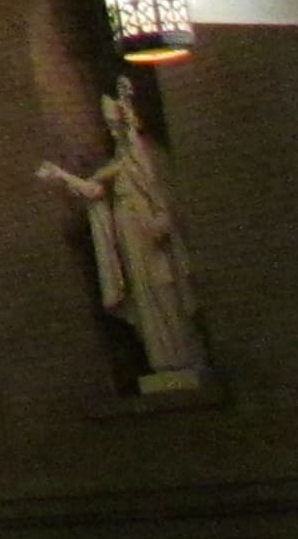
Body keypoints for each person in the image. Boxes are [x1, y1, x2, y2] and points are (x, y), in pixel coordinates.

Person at [38, 88, 204, 380]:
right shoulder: (119, 162)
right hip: (132, 241)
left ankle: (184, 359)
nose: (115, 134)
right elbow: (93, 189)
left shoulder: (144, 158)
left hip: (151, 239)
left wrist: (159, 221)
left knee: (166, 293)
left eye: (118, 127)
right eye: (112, 128)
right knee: (146, 299)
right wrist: (60, 176)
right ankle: (164, 363)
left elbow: (162, 193)